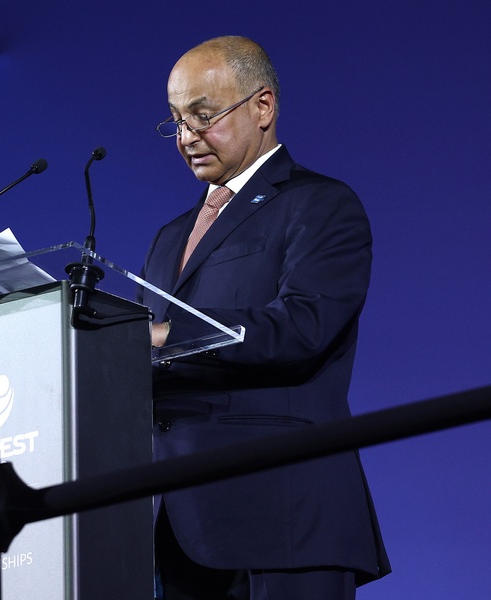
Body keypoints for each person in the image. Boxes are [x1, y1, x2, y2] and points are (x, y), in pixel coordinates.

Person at [139, 36, 391, 600]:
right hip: (174, 525)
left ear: (263, 107)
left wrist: (164, 334)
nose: (186, 137)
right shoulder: (168, 238)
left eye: (203, 116)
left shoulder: (321, 204)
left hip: (282, 513)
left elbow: (304, 324)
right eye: (176, 121)